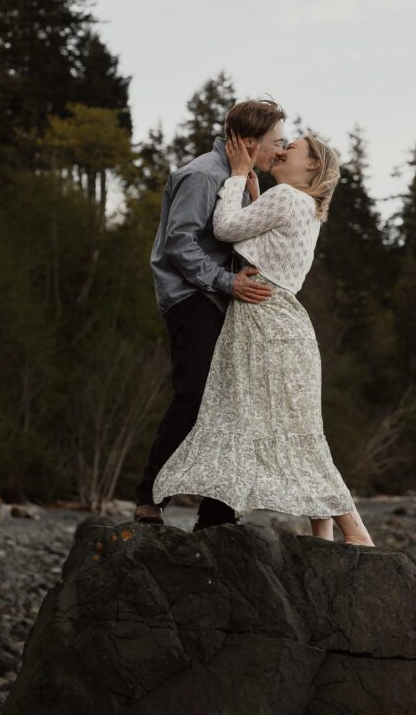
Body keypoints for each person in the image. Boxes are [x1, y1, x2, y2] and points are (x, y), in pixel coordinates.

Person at [152, 129, 375, 546]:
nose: (284, 148)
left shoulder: (287, 197)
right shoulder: (305, 206)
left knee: (275, 426)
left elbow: (224, 228)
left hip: (265, 321)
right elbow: (264, 240)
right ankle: (324, 535)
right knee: (299, 429)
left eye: (294, 147)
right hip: (289, 324)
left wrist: (237, 175)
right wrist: (255, 195)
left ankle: (355, 532)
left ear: (311, 165)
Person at [134, 99, 288, 530]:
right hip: (192, 298)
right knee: (194, 395)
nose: (282, 149)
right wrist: (228, 282)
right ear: (247, 141)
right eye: (277, 142)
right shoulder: (201, 175)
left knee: (234, 404)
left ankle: (216, 515)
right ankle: (149, 497)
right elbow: (179, 245)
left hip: (225, 301)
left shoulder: (245, 181)